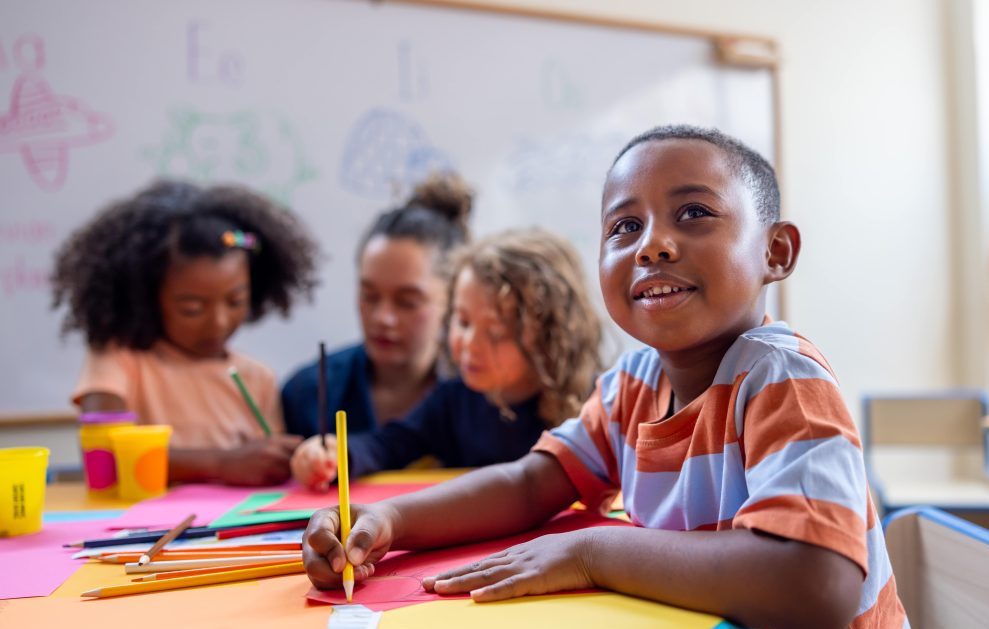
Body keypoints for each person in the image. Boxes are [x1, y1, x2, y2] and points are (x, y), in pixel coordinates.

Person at [301, 125, 914, 629]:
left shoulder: (782, 380)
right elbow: (530, 484)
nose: (652, 245)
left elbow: (817, 586)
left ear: (774, 252)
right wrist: (389, 522)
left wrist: (595, 550)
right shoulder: (636, 382)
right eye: (625, 226)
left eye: (694, 212)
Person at [290, 228, 603, 490]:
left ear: (549, 337)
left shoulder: (594, 404)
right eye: (463, 322)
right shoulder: (452, 400)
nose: (468, 344)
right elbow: (388, 444)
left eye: (494, 333)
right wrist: (337, 454)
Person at [54, 180, 317, 486]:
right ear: (147, 297)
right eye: (191, 308)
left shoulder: (258, 378)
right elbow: (103, 459)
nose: (218, 322)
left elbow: (270, 468)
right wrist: (220, 463)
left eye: (236, 301)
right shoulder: (119, 358)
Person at [280, 173, 472, 441]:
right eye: (369, 296)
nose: (383, 318)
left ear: (451, 300)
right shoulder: (309, 393)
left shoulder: (483, 395)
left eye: (407, 302)